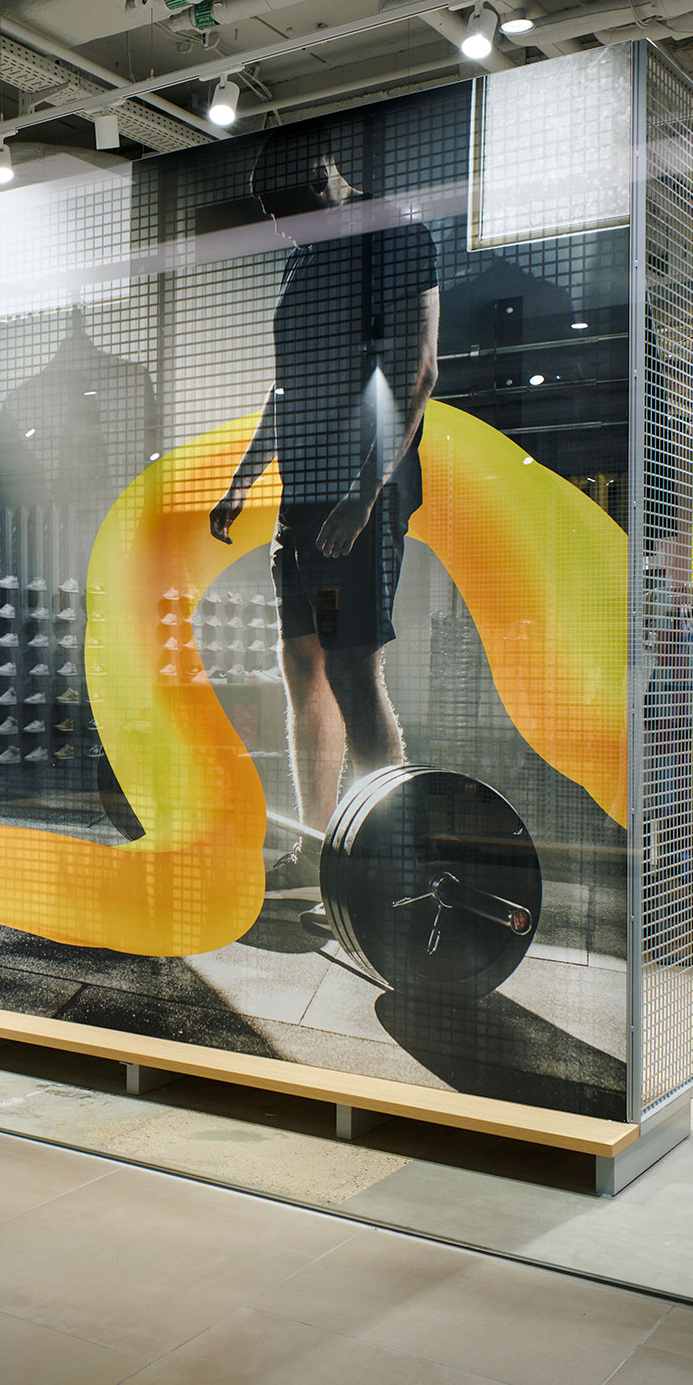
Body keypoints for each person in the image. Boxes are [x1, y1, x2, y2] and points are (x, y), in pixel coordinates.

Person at [210, 140, 439, 907]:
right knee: (302, 666)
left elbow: (417, 371)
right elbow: (286, 391)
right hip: (302, 499)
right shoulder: (304, 260)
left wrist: (364, 493)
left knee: (351, 671)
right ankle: (317, 851)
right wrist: (242, 481)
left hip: (356, 495)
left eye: (285, 211)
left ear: (322, 180)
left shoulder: (393, 235)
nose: (280, 228)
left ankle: (392, 859)